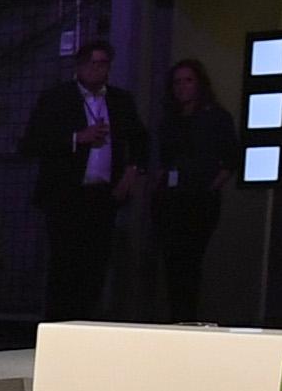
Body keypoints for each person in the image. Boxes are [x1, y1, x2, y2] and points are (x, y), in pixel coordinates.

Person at [17, 33, 147, 325]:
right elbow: (32, 144)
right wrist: (77, 138)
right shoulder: (57, 98)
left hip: (104, 196)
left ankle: (88, 324)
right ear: (79, 66)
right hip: (65, 196)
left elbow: (141, 140)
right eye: (93, 63)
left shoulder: (120, 101)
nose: (98, 69)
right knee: (64, 268)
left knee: (96, 267)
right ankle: (57, 326)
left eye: (104, 64)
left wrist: (133, 172)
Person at [154, 53, 242, 321]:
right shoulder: (170, 120)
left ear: (199, 84)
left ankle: (188, 317)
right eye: (177, 82)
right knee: (173, 263)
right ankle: (176, 316)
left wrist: (211, 187)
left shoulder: (216, 117)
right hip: (170, 200)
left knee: (190, 261)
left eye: (188, 81)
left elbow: (232, 157)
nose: (182, 87)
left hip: (199, 200)